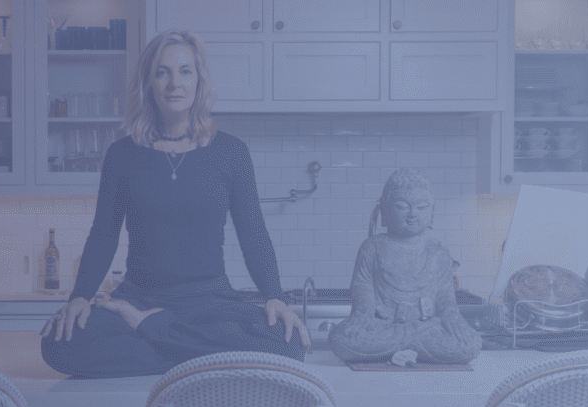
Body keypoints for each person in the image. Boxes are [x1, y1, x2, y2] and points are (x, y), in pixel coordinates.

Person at [40, 29, 309, 378]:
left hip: (211, 302)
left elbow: (253, 233)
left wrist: (275, 296)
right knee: (59, 344)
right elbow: (103, 234)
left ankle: (151, 330)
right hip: (137, 298)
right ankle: (198, 353)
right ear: (149, 82)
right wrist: (79, 297)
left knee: (285, 342)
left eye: (185, 71)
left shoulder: (231, 152)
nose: (174, 83)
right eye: (162, 72)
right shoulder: (121, 155)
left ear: (200, 80)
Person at [328, 168, 481, 365]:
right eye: (402, 206)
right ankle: (412, 345)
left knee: (471, 344)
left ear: (432, 212)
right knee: (342, 339)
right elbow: (362, 286)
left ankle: (403, 346)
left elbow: (445, 295)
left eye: (422, 207)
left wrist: (453, 317)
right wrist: (362, 315)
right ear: (385, 209)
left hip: (426, 327)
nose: (412, 214)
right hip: (384, 326)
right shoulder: (372, 247)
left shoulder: (438, 251)